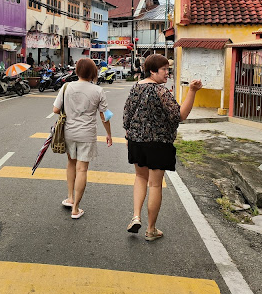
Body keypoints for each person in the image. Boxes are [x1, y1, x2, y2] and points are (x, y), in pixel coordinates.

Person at [123, 54, 202, 241]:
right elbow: (179, 116)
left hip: (136, 141)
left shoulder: (135, 88)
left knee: (140, 177)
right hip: (158, 143)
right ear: (153, 71)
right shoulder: (161, 92)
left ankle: (136, 216)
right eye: (164, 69)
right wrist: (192, 91)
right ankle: (151, 230)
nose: (168, 73)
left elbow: (127, 116)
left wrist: (129, 134)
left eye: (168, 69)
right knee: (155, 184)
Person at [53, 58, 112, 219]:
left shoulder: (66, 87)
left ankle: (70, 198)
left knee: (71, 163)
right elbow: (104, 115)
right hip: (87, 134)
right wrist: (109, 134)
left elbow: (56, 109)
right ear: (93, 73)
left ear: (77, 71)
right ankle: (76, 208)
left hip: (69, 132)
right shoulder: (98, 91)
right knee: (82, 169)